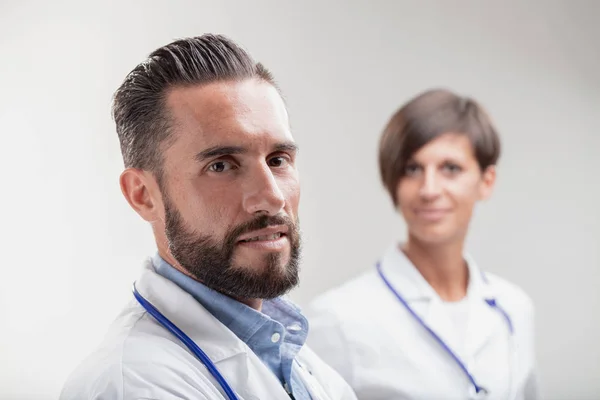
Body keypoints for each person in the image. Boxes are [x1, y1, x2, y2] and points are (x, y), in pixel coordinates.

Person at [60, 34, 357, 400]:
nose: (272, 197)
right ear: (143, 195)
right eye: (221, 166)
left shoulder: (301, 364)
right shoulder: (135, 384)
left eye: (278, 160)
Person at [305, 89, 540, 400]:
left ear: (487, 181)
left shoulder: (514, 308)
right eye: (412, 169)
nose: (429, 190)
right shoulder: (335, 320)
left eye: (450, 169)